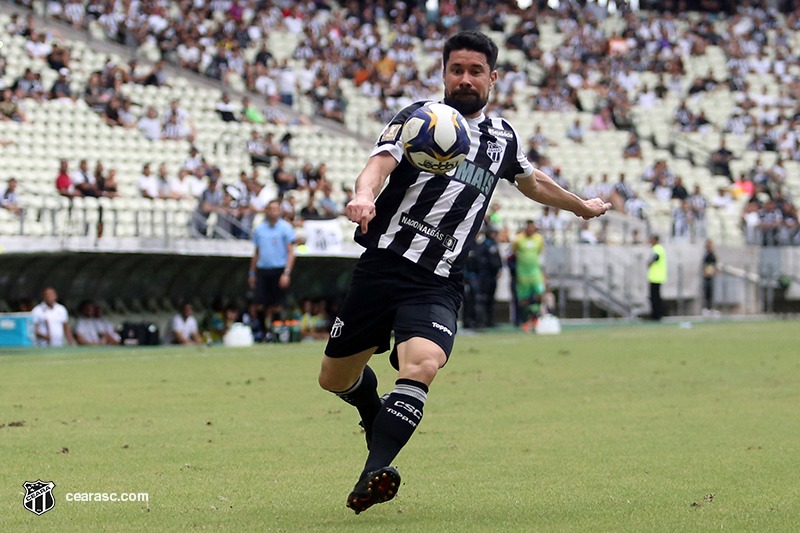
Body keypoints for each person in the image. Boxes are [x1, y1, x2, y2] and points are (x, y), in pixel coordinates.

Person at [316, 31, 610, 515]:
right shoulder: (418, 118)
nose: (466, 79)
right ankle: (374, 415)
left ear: (492, 78)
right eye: (457, 70)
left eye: (476, 71)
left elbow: (532, 181)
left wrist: (578, 206)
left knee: (423, 365)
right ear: (444, 73)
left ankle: (376, 471)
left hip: (438, 279)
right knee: (334, 378)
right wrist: (364, 195)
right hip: (383, 266)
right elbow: (378, 164)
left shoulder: (502, 139)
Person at [248, 199, 296, 339]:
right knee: (259, 303)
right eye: (271, 208)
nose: (273, 211)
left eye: (276, 208)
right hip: (263, 269)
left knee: (277, 304)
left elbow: (291, 252)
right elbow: (256, 252)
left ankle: (275, 332)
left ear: (280, 211)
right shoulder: (260, 229)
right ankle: (264, 332)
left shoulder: (285, 228)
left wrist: (286, 272)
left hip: (278, 269)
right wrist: (252, 273)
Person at [512, 220, 546, 331]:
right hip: (523, 273)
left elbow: (540, 252)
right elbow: (514, 251)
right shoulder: (519, 238)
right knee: (524, 299)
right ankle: (527, 320)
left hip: (535, 272)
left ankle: (535, 317)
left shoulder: (539, 239)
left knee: (540, 294)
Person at [647, 235, 667, 321]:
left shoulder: (657, 249)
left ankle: (656, 315)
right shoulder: (659, 249)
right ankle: (657, 314)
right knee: (656, 297)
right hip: (657, 276)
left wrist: (650, 262)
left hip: (656, 276)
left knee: (655, 297)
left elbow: (655, 258)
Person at [702, 239, 718, 315]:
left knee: (711, 292)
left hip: (711, 275)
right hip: (707, 276)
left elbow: (715, 264)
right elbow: (705, 265)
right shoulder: (707, 255)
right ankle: (707, 308)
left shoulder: (712, 254)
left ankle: (711, 308)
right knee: (707, 292)